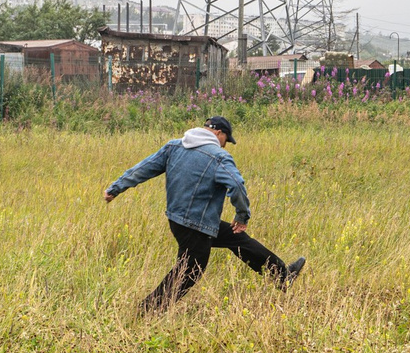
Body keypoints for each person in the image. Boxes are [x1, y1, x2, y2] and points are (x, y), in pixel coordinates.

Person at [104, 114, 305, 311]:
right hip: (197, 225)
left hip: (178, 220)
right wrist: (242, 215)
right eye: (226, 139)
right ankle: (147, 311)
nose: (225, 145)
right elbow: (236, 185)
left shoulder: (174, 146)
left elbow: (144, 168)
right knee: (189, 273)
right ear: (218, 133)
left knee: (237, 238)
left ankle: (282, 277)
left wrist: (115, 188)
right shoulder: (219, 157)